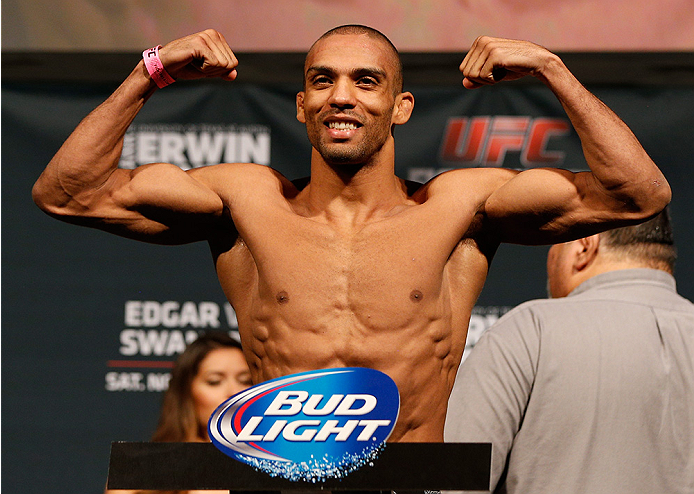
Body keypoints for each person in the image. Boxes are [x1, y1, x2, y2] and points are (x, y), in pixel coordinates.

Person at [32, 25, 671, 442]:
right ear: (301, 104)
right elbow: (67, 192)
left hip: (416, 483)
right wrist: (151, 70)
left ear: (401, 107)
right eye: (322, 81)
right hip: (276, 481)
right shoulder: (245, 202)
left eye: (366, 82)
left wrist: (553, 69)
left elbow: (638, 192)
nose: (342, 96)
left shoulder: (460, 208)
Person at [444, 209, 694, 493]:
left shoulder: (531, 332)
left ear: (586, 245)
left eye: (557, 243)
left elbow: (446, 483)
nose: (550, 258)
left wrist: (387, 462)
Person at [105, 331, 253, 494]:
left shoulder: (277, 466)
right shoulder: (137, 468)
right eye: (214, 381)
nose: (234, 392)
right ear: (186, 393)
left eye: (245, 381)